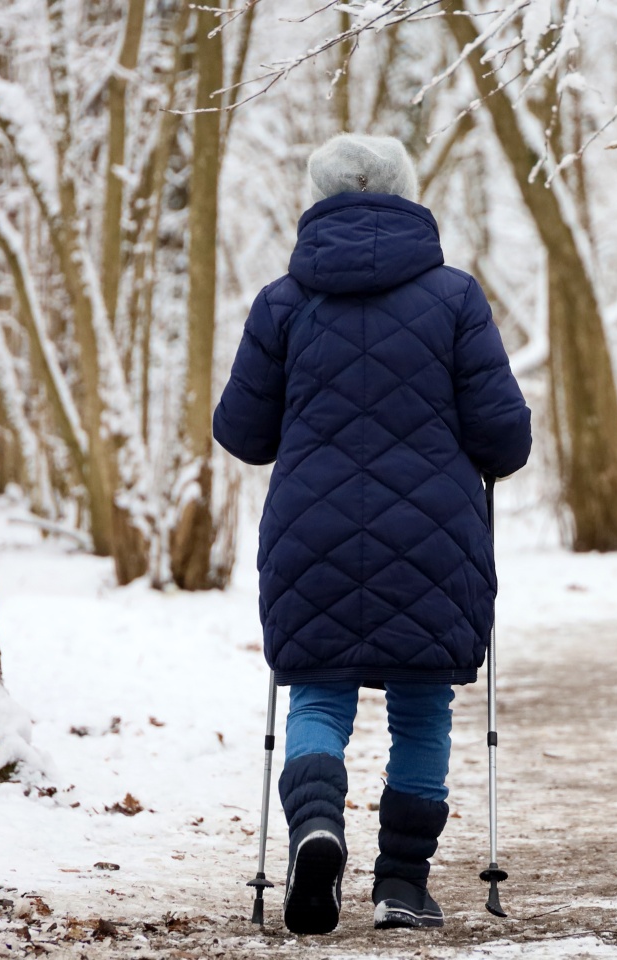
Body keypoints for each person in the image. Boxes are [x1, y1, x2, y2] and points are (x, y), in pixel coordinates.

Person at [213, 134, 531, 933]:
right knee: (423, 707)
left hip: (309, 532)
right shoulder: (456, 297)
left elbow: (243, 432)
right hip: (434, 535)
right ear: (406, 194)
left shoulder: (283, 301)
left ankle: (317, 828)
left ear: (316, 199)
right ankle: (400, 885)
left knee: (318, 694)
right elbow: (506, 440)